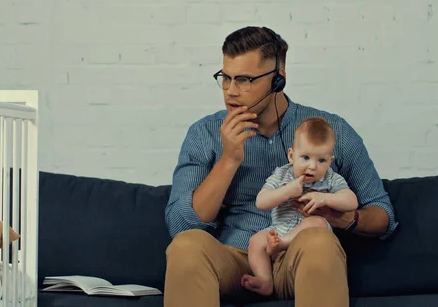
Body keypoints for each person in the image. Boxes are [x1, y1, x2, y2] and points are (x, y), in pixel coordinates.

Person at [163, 26, 398, 307]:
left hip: (300, 256)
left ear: (278, 80)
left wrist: (343, 219)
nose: (231, 92)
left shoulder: (330, 131)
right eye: (225, 78)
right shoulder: (206, 133)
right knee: (186, 247)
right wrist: (229, 160)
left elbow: (383, 215)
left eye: (245, 80)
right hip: (236, 260)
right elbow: (181, 225)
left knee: (319, 242)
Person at [241, 116, 359, 296]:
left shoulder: (331, 178)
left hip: (310, 240)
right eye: (305, 157)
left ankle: (282, 244)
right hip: (278, 231)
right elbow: (261, 202)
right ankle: (265, 281)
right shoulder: (282, 176)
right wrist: (286, 191)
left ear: (330, 160)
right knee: (256, 240)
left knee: (317, 223)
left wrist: (325, 199)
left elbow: (351, 201)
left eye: (321, 160)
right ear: (291, 155)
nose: (312, 166)